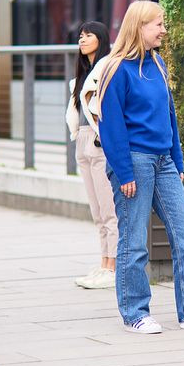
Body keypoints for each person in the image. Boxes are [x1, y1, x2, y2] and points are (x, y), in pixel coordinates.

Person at [98, 0, 184, 334]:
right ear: (139, 27)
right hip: (135, 163)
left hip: (164, 162)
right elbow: (110, 126)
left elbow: (169, 116)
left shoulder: (157, 64)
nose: (163, 29)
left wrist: (178, 160)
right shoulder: (116, 69)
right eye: (157, 24)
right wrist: (124, 172)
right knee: (134, 242)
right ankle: (134, 313)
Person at [67, 21, 119, 290]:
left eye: (88, 35)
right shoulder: (83, 73)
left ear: (101, 38)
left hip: (100, 142)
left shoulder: (107, 65)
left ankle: (113, 266)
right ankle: (104, 263)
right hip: (83, 141)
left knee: (109, 209)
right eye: (80, 36)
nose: (82, 39)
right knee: (97, 210)